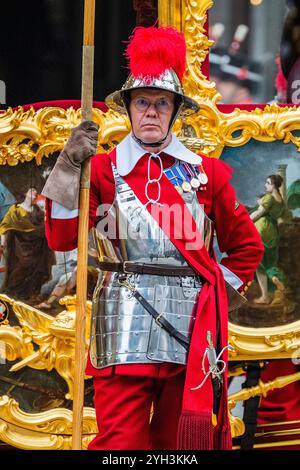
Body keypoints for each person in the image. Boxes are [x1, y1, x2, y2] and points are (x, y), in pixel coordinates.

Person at [42, 26, 263, 450]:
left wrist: (214, 298)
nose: (151, 112)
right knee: (120, 446)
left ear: (175, 111)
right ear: (128, 108)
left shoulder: (207, 174)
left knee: (178, 447)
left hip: (190, 331)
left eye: (162, 103)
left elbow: (247, 249)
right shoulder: (104, 171)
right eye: (142, 102)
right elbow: (62, 238)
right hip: (123, 323)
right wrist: (69, 167)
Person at [0, 187, 54, 300]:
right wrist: (2, 243)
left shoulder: (37, 210)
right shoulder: (15, 209)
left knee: (40, 269)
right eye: (32, 190)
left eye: (36, 191)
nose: (35, 193)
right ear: (26, 193)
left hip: (38, 246)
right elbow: (5, 226)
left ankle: (28, 295)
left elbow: (44, 226)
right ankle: (11, 293)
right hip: (20, 245)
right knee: (21, 268)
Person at [250, 175, 288, 305]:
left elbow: (258, 214)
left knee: (258, 262)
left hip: (262, 229)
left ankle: (265, 296)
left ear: (273, 185)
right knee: (270, 261)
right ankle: (275, 277)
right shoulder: (281, 200)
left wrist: (245, 222)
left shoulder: (269, 197)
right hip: (273, 232)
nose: (266, 185)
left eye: (267, 183)